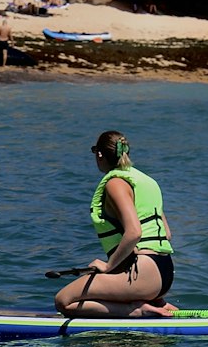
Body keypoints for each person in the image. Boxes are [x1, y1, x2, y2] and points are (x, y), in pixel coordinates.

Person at [54, 130, 175, 319]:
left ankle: (135, 310)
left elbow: (134, 232)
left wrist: (108, 267)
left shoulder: (115, 183)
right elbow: (166, 234)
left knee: (64, 301)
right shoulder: (147, 181)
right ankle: (150, 300)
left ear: (100, 154)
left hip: (143, 274)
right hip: (165, 272)